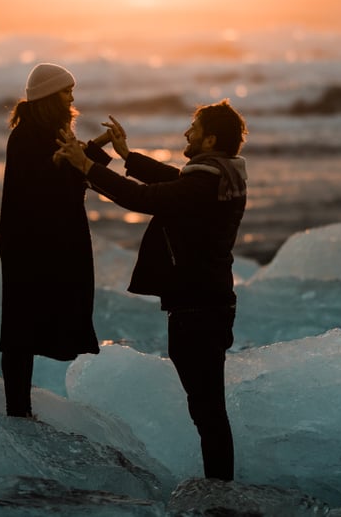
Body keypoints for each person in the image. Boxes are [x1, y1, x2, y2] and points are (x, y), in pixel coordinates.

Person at [56, 99, 248, 481]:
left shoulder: (207, 181)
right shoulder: (219, 174)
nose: (186, 132)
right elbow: (175, 181)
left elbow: (144, 199)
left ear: (209, 138)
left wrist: (87, 166)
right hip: (208, 303)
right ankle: (220, 484)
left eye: (193, 126)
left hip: (197, 308)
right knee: (207, 408)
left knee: (207, 410)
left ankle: (221, 489)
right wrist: (128, 156)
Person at [0, 62, 113, 418]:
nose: (72, 97)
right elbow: (51, 185)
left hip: (48, 240)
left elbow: (68, 170)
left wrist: (96, 146)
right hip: (32, 243)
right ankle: (17, 410)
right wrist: (78, 162)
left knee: (30, 323)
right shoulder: (29, 136)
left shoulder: (46, 131)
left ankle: (21, 409)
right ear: (49, 96)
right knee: (20, 328)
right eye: (66, 91)